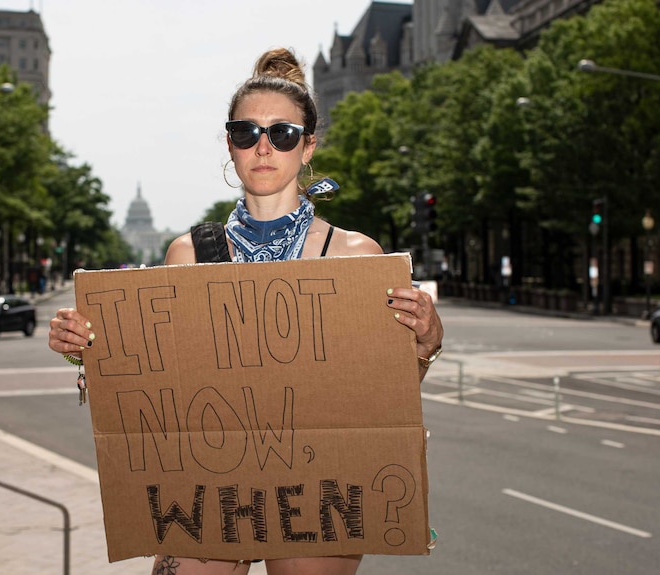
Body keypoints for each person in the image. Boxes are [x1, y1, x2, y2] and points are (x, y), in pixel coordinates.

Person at [49, 47, 444, 575]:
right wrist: (89, 355)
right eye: (245, 133)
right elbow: (159, 390)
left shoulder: (356, 257)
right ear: (229, 147)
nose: (263, 146)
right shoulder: (188, 254)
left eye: (282, 134)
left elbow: (374, 397)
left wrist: (423, 345)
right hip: (210, 481)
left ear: (308, 148)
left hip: (317, 482)